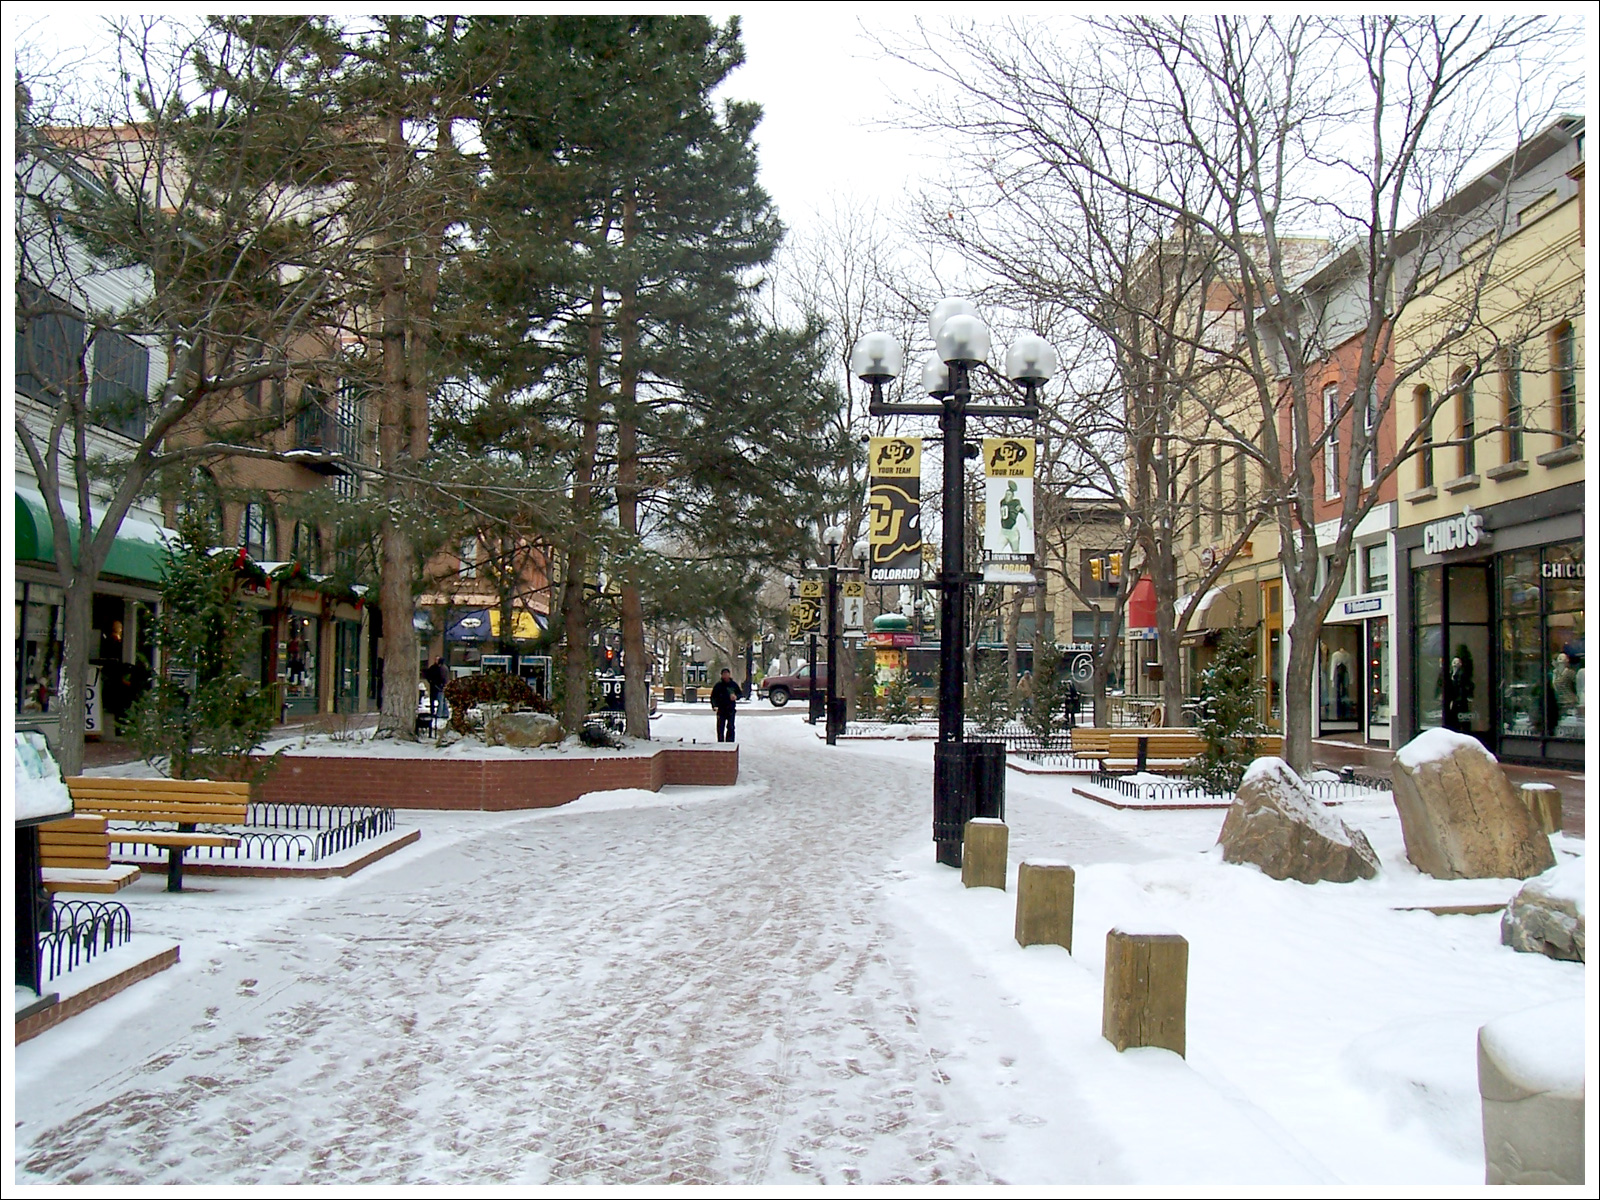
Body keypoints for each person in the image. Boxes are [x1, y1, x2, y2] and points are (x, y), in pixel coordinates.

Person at [710, 667, 742, 743]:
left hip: (730, 709)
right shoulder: (718, 686)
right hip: (721, 709)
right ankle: (720, 742)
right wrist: (714, 706)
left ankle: (730, 742)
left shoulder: (733, 685)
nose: (725, 676)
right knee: (720, 727)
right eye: (724, 674)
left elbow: (740, 693)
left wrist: (736, 697)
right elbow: (713, 697)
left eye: (727, 674)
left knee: (730, 727)